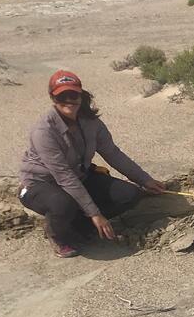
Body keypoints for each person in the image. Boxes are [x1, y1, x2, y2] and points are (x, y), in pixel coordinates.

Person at [19, 70, 167, 257]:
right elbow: (63, 176)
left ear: (80, 95)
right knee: (63, 205)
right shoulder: (44, 131)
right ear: (52, 98)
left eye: (73, 95)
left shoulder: (91, 122)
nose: (69, 101)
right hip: (41, 184)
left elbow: (113, 154)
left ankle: (79, 225)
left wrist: (144, 180)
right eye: (62, 96)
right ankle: (57, 235)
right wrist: (95, 214)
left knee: (129, 194)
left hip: (79, 176)